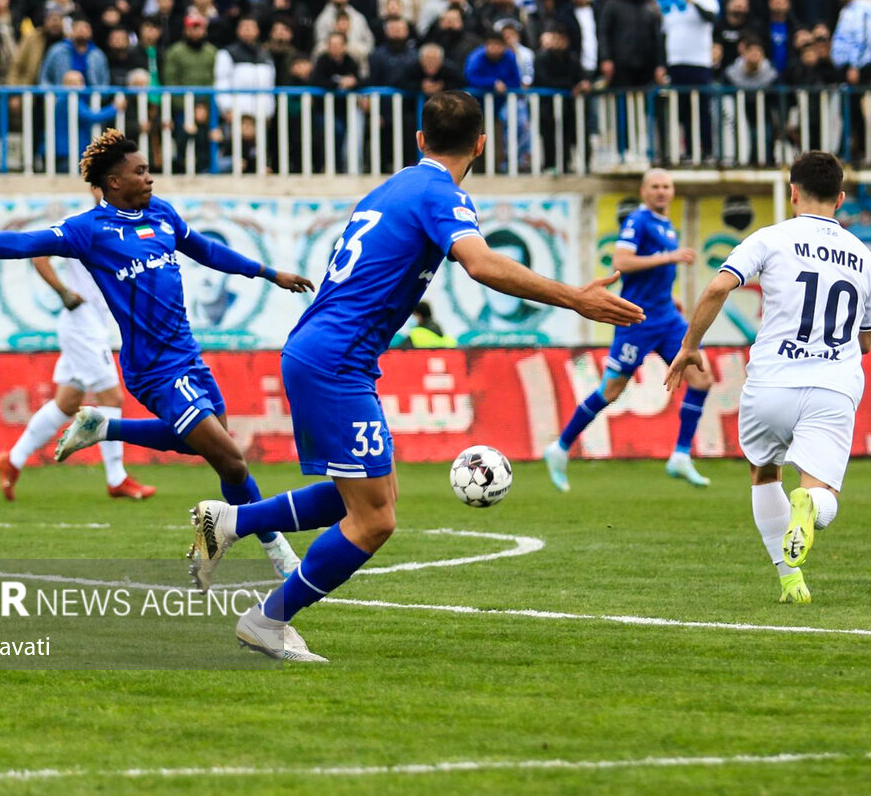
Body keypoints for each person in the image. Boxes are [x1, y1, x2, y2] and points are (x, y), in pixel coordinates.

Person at [184, 92, 643, 662]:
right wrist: (574, 297)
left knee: (363, 498)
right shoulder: (440, 193)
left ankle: (230, 521)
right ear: (481, 145)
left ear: (420, 139)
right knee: (375, 520)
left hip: (324, 351)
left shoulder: (395, 186)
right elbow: (480, 263)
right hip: (336, 361)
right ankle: (267, 620)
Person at [0, 130, 314, 580]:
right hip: (155, 368)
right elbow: (26, 243)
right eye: (140, 171)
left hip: (188, 355)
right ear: (114, 182)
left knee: (214, 453)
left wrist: (268, 272)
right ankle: (279, 554)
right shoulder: (89, 230)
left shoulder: (162, 214)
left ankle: (105, 428)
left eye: (148, 170)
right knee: (233, 459)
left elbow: (206, 250)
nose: (150, 178)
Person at [665, 151, 871, 604]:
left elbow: (718, 286)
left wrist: (689, 346)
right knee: (821, 495)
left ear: (793, 192)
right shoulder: (864, 257)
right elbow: (865, 340)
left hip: (771, 383)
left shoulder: (770, 238)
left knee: (764, 473)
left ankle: (790, 581)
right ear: (840, 198)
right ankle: (809, 504)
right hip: (832, 387)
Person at [544, 169, 713, 491]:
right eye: (655, 186)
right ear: (644, 191)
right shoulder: (639, 220)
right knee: (611, 390)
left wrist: (669, 297)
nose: (661, 191)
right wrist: (669, 257)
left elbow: (652, 275)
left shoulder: (665, 225)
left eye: (666, 186)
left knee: (701, 378)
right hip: (636, 319)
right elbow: (622, 262)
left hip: (666, 317)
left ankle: (680, 455)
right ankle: (560, 447)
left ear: (672, 191)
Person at [0, 211, 157, 501]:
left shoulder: (124, 226)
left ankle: (13, 460)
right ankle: (116, 478)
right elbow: (39, 255)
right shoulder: (82, 225)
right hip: (83, 325)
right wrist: (63, 292)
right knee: (111, 398)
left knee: (67, 403)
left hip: (91, 324)